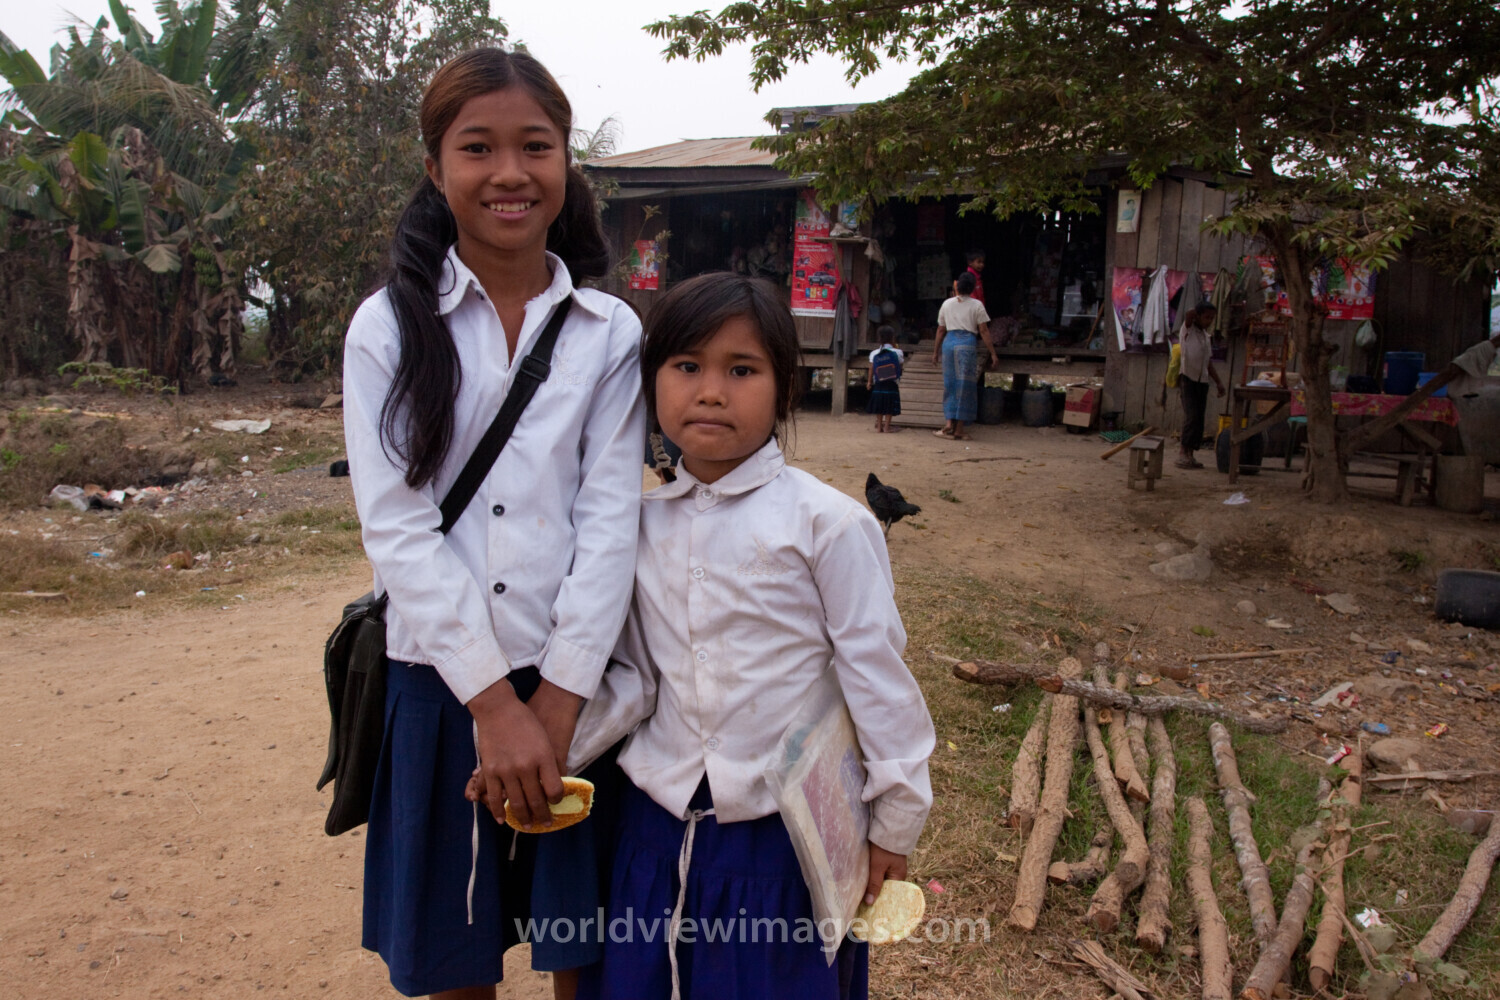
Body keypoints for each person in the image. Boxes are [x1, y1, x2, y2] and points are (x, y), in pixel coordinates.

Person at [341, 47, 646, 1000]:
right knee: (454, 956)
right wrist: (495, 706)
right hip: (440, 691)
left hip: (573, 689)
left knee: (577, 949)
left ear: (566, 166)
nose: (510, 173)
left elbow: (610, 518)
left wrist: (556, 701)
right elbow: (397, 532)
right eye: (478, 148)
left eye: (536, 146)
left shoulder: (609, 331)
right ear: (437, 169)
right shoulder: (387, 328)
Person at [574, 272, 935, 1000]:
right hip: (656, 828)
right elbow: (634, 676)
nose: (711, 391)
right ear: (652, 384)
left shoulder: (828, 525)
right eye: (687, 367)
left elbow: (878, 679)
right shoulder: (636, 524)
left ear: (784, 390)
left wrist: (894, 822)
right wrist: (556, 751)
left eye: (741, 370)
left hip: (782, 841)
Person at [932, 271, 998, 440]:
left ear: (958, 286)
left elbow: (941, 330)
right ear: (972, 287)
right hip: (966, 345)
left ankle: (948, 424)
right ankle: (959, 429)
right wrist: (992, 353)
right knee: (964, 386)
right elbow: (983, 330)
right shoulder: (977, 305)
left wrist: (935, 352)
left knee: (950, 384)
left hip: (949, 344)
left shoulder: (947, 304)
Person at [1176, 303, 1225, 469]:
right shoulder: (1187, 330)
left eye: (1212, 318)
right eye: (1207, 317)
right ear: (1198, 316)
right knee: (1191, 416)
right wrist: (1196, 313)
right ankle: (1183, 452)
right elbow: (1189, 313)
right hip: (1188, 379)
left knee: (1199, 419)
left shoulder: (1205, 336)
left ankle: (1191, 454)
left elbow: (1208, 363)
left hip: (1202, 381)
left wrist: (1218, 382)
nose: (1210, 321)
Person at [865, 326, 905, 433]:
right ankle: (887, 427)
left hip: (879, 382)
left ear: (879, 338)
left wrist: (869, 382)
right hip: (892, 382)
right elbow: (900, 367)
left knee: (879, 403)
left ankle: (879, 427)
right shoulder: (898, 352)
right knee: (889, 403)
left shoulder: (874, 353)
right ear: (892, 337)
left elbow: (871, 368)